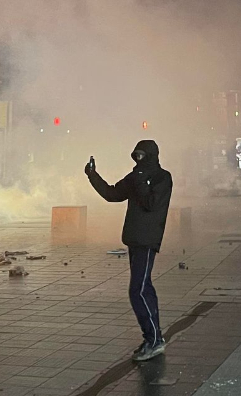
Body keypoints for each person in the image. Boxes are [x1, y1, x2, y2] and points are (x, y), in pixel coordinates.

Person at [86, 140, 173, 360]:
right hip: (134, 239)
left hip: (147, 240)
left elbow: (150, 203)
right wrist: (92, 176)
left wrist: (141, 179)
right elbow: (112, 194)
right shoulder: (136, 176)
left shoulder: (162, 178)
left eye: (142, 156)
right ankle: (154, 338)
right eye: (136, 156)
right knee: (144, 288)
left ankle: (153, 340)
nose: (138, 160)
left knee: (138, 290)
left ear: (152, 156)